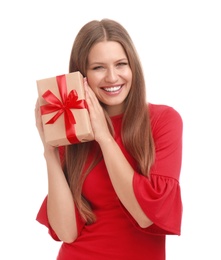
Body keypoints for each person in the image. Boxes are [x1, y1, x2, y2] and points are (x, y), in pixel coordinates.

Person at [35, 18, 183, 260]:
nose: (112, 77)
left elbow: (145, 216)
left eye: (121, 64)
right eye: (98, 67)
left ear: (133, 67)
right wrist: (50, 151)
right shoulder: (74, 129)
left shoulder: (164, 121)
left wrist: (104, 137)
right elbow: (66, 232)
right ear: (81, 75)